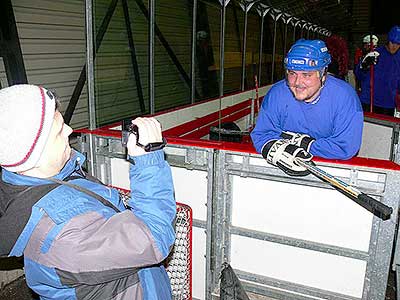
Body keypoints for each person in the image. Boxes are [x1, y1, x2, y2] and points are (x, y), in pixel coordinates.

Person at [0, 84, 176, 299]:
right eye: (58, 131)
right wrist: (149, 159)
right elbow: (154, 238)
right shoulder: (62, 235)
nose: (69, 130)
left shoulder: (47, 179)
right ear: (33, 157)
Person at [251, 39, 363, 176]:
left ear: (323, 74)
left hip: (331, 172)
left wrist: (304, 145)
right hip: (282, 173)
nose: (298, 83)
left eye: (306, 75)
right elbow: (261, 134)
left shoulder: (345, 97)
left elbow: (345, 147)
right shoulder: (277, 93)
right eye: (292, 74)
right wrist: (280, 150)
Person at [354, 25, 400, 116]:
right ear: (388, 41)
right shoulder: (375, 54)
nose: (394, 46)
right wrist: (363, 66)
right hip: (369, 101)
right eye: (392, 42)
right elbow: (359, 75)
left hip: (388, 104)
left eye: (398, 44)